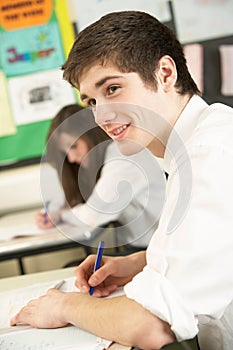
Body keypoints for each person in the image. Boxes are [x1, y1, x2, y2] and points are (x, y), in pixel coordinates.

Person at [11, 11, 233, 350]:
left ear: (164, 74)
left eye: (113, 88)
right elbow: (218, 247)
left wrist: (63, 305)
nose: (101, 116)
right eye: (92, 101)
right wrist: (141, 261)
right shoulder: (201, 139)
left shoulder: (209, 154)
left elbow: (150, 326)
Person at [37, 104, 165, 252]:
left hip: (159, 249)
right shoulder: (99, 162)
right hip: (140, 246)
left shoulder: (123, 159)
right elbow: (68, 200)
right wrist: (51, 211)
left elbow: (92, 215)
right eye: (65, 151)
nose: (71, 158)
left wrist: (60, 215)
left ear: (91, 135)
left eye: (73, 146)